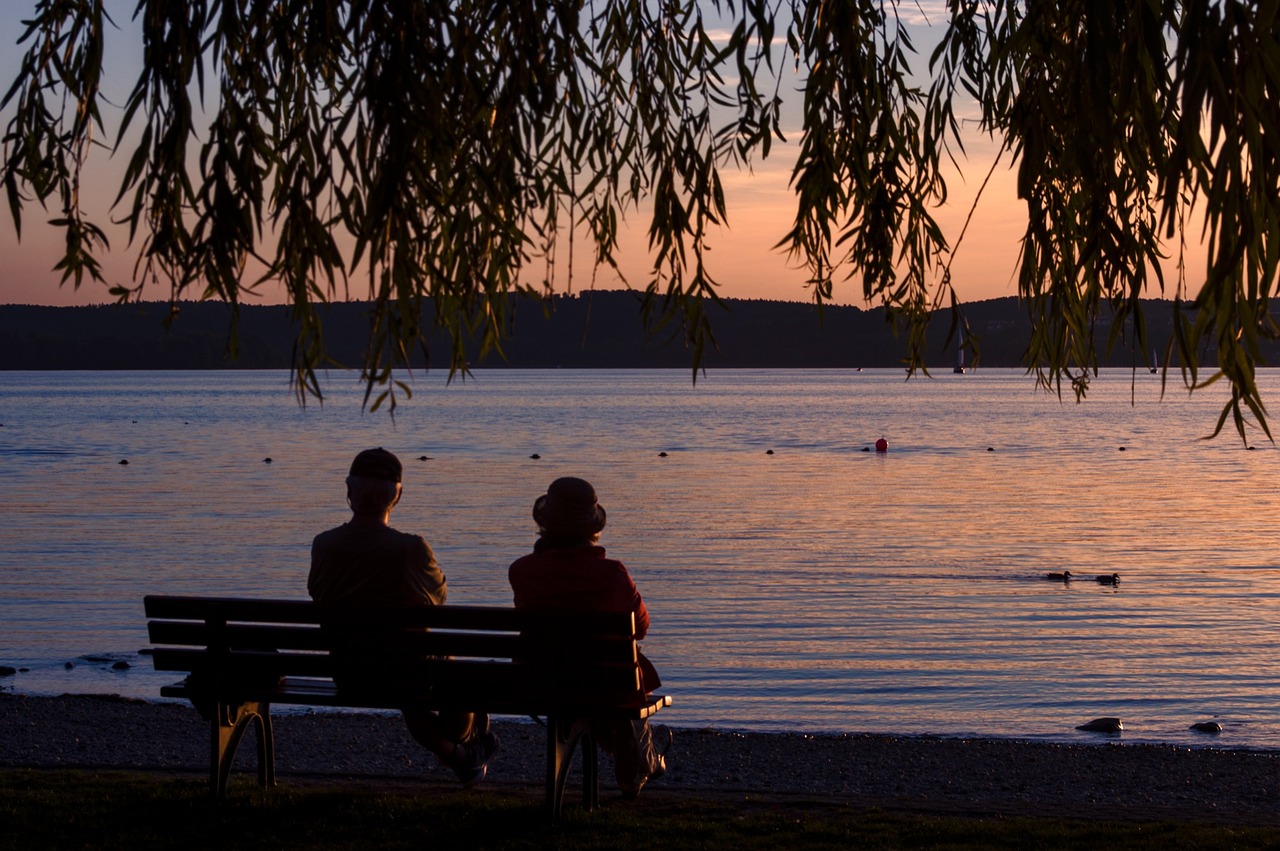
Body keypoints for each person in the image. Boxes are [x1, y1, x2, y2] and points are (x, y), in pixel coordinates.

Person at [309, 447, 499, 787]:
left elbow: (318, 593)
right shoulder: (411, 548)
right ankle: (464, 750)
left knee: (432, 674)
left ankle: (465, 755)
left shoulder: (323, 544)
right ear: (398, 495)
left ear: (349, 490)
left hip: (348, 673)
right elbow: (439, 598)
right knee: (452, 675)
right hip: (409, 675)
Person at [508, 476, 670, 797]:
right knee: (619, 678)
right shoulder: (613, 574)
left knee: (582, 681)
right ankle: (643, 758)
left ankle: (635, 753)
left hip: (543, 681)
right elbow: (641, 628)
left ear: (545, 524)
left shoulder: (523, 570)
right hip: (606, 685)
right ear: (593, 528)